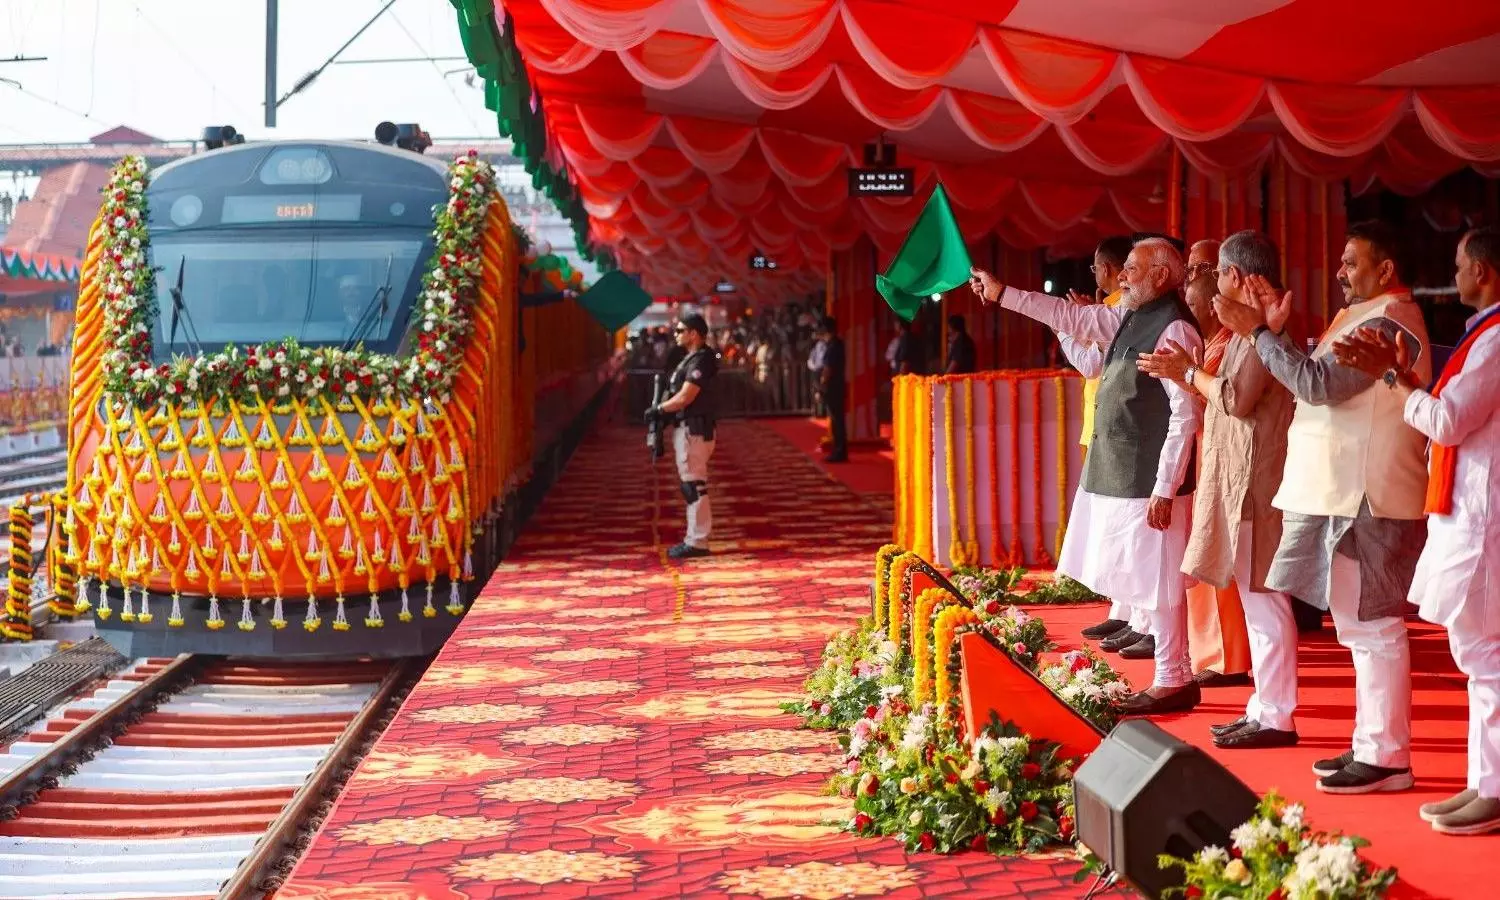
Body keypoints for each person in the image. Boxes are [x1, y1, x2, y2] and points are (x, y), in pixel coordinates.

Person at [1215, 220, 1430, 794]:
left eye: (1351, 262)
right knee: (1358, 626)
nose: (1340, 271)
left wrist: (1261, 335)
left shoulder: (1390, 321)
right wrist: (1271, 334)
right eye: (1339, 261)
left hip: (1371, 492)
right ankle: (1372, 745)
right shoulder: (1362, 316)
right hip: (1345, 491)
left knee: (1376, 626)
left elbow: (1317, 386)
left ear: (1385, 270)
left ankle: (1388, 757)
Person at [973, 237, 1204, 714]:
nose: (1122, 277)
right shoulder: (1129, 317)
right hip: (1120, 470)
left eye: (1133, 270)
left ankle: (1174, 677)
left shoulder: (1175, 330)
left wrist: (1166, 486)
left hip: (1151, 477)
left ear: (1161, 277)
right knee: (1139, 576)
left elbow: (1185, 416)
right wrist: (1003, 295)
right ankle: (1169, 672)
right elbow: (1071, 319)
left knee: (1158, 579)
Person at [1333, 226, 1500, 834]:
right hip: (1469, 510)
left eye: (1459, 265)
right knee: (1477, 653)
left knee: (1486, 655)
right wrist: (1401, 379)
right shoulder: (1482, 336)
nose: (1453, 276)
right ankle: (1486, 780)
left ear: (1482, 270)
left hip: (1484, 516)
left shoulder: (1496, 338)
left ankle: (1495, 786)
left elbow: (1449, 421)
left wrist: (1394, 380)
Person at [1140, 231, 1298, 748]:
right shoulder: (1248, 329)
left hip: (1257, 484)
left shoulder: (1261, 328)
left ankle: (1276, 716)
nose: (1214, 289)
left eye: (1220, 276)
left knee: (1264, 602)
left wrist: (1187, 373)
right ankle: (1263, 707)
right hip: (1242, 478)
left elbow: (1236, 398)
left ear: (1236, 277)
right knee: (1256, 601)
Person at [1071, 236, 1144, 645]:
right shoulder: (1110, 308)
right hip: (1101, 425)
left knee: (1121, 526)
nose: (1096, 275)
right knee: (1108, 525)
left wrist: (1065, 325)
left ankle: (1134, 614)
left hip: (1115, 429)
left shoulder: (1120, 310)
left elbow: (1089, 363)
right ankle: (1121, 608)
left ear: (1112, 270)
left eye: (1097, 267)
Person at [647, 314, 720, 560]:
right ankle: (695, 538)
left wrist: (659, 409)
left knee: (693, 485)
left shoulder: (701, 360)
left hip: (695, 429)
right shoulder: (689, 359)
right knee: (692, 483)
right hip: (689, 428)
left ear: (694, 333)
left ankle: (697, 541)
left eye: (680, 330)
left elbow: (686, 396)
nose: (676, 334)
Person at [815, 317, 847, 463]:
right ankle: (839, 450)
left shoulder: (833, 345)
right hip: (838, 385)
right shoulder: (837, 344)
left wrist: (821, 385)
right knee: (837, 419)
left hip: (833, 386)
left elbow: (828, 368)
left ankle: (839, 451)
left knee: (836, 420)